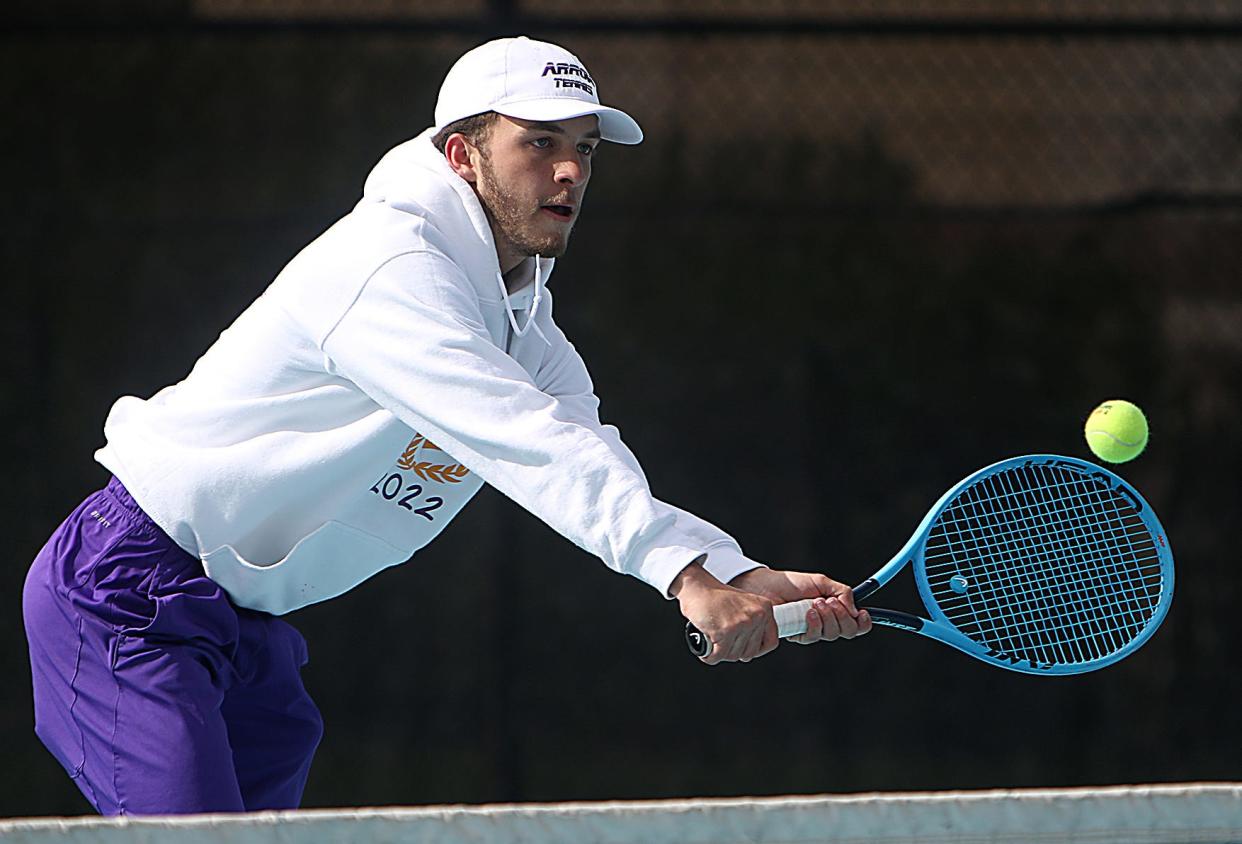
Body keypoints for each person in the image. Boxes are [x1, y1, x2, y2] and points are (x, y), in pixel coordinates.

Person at [22, 36, 871, 816]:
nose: (570, 171)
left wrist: (733, 569)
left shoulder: (521, 324)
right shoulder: (390, 270)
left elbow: (585, 449)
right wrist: (688, 581)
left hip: (246, 627)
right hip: (125, 596)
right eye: (539, 143)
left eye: (584, 148)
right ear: (462, 155)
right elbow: (523, 440)